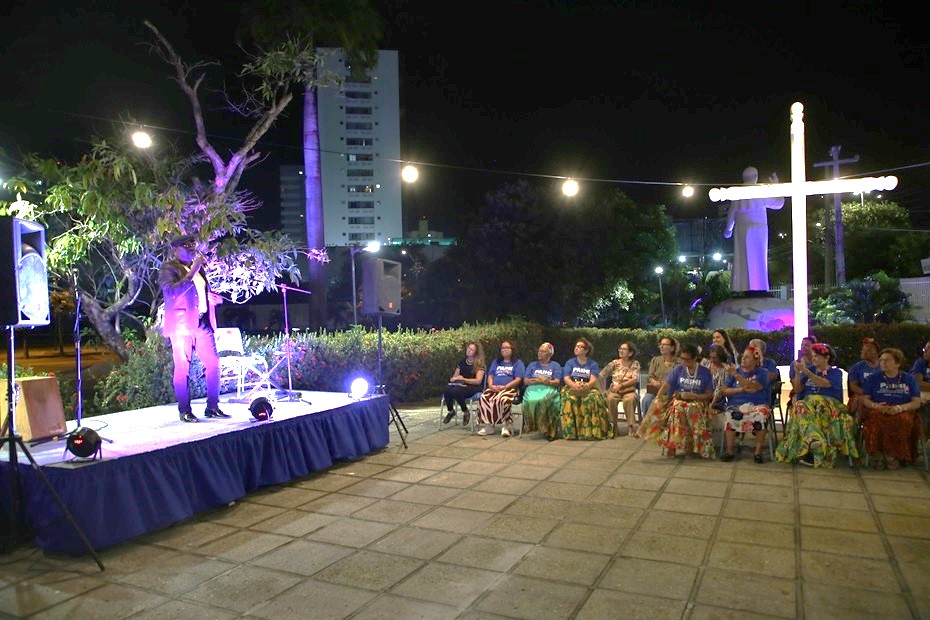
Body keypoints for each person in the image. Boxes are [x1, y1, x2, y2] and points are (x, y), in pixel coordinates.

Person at [159, 234, 229, 423]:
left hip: (202, 322)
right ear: (175, 249)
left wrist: (216, 299)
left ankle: (212, 407)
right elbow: (171, 292)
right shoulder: (168, 268)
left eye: (193, 245)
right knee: (183, 368)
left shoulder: (198, 269)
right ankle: (185, 410)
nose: (191, 248)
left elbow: (200, 294)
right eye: (186, 245)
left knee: (213, 364)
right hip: (181, 325)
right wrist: (191, 272)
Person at [775, 343, 858, 467]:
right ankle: (814, 440)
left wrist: (806, 371)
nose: (813, 359)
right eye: (813, 356)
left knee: (814, 408)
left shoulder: (835, 372)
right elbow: (797, 389)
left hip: (828, 407)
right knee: (800, 406)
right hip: (809, 407)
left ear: (827, 357)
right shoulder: (810, 371)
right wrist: (797, 373)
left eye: (816, 356)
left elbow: (825, 383)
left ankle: (812, 446)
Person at [638, 343, 716, 458]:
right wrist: (658, 398)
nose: (684, 362)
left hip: (698, 401)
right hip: (679, 399)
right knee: (677, 408)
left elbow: (709, 394)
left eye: (687, 359)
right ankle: (673, 445)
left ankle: (688, 446)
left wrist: (694, 396)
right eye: (682, 359)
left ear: (695, 358)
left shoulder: (704, 372)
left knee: (690, 409)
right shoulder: (679, 369)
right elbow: (666, 385)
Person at [723, 166, 785, 292]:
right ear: (756, 177)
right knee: (758, 258)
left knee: (742, 259)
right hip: (759, 229)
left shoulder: (737, 192)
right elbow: (778, 203)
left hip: (742, 230)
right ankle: (759, 288)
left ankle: (741, 287)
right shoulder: (760, 191)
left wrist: (728, 230)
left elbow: (732, 213)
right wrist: (776, 188)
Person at [860, 348, 923, 470]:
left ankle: (894, 455)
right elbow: (865, 399)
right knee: (875, 420)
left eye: (887, 360)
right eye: (881, 360)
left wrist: (900, 408)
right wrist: (877, 406)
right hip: (878, 408)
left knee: (902, 421)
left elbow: (916, 402)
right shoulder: (873, 378)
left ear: (897, 363)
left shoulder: (909, 379)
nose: (883, 363)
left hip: (902, 409)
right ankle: (878, 454)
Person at [720, 346, 771, 463]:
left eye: (747, 357)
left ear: (755, 360)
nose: (743, 359)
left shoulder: (762, 373)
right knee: (730, 414)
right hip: (736, 404)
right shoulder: (735, 371)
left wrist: (736, 375)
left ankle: (757, 452)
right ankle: (729, 451)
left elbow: (753, 386)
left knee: (761, 414)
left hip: (758, 404)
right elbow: (724, 391)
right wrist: (740, 390)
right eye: (743, 356)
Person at [561, 338, 613, 440]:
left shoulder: (592, 364)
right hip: (572, 386)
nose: (577, 348)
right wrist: (575, 386)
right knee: (568, 398)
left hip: (588, 387)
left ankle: (592, 432)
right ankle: (572, 432)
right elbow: (566, 378)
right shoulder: (570, 363)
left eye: (580, 347)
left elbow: (593, 379)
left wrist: (586, 386)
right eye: (576, 346)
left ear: (586, 350)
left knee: (593, 398)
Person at [477, 342, 525, 437]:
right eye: (503, 348)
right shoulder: (496, 362)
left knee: (503, 399)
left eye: (507, 348)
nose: (504, 350)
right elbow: (491, 375)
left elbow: (518, 379)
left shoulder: (518, 363)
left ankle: (505, 426)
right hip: (494, 388)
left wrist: (505, 387)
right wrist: (491, 385)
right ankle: (488, 426)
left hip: (509, 389)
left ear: (512, 350)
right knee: (484, 398)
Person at [599, 342, 641, 436]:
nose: (621, 351)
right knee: (610, 399)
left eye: (624, 349)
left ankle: (631, 426)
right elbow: (601, 375)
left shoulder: (634, 363)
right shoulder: (614, 363)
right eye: (620, 349)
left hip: (628, 390)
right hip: (615, 390)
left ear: (630, 353)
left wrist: (621, 385)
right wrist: (604, 390)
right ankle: (613, 425)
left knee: (629, 400)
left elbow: (634, 379)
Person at [522, 342, 563, 440]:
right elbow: (525, 381)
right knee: (530, 400)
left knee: (545, 400)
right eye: (539, 351)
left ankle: (549, 429)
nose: (539, 353)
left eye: (543, 351)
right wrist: (534, 380)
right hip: (533, 388)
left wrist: (547, 381)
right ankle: (532, 426)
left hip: (549, 388)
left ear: (549, 354)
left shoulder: (555, 365)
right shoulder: (532, 365)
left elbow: (557, 382)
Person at [442, 342, 486, 425]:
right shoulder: (462, 363)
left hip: (474, 387)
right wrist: (454, 379)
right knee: (447, 389)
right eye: (468, 348)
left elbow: (478, 381)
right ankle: (451, 411)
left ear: (476, 353)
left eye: (472, 349)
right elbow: (455, 376)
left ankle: (465, 411)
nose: (469, 350)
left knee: (456, 391)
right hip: (460, 385)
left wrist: (464, 379)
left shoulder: (479, 365)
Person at [642, 337, 680, 414]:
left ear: (672, 348)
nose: (661, 346)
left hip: (671, 392)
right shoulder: (656, 360)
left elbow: (680, 379)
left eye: (665, 344)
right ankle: (646, 421)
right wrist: (654, 381)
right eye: (660, 344)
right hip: (655, 390)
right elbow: (650, 376)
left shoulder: (679, 362)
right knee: (647, 400)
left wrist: (666, 384)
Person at [847, 338, 881, 416]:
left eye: (869, 350)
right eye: (863, 350)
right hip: (863, 394)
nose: (864, 352)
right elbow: (853, 386)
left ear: (877, 353)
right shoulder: (856, 368)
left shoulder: (884, 366)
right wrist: (868, 393)